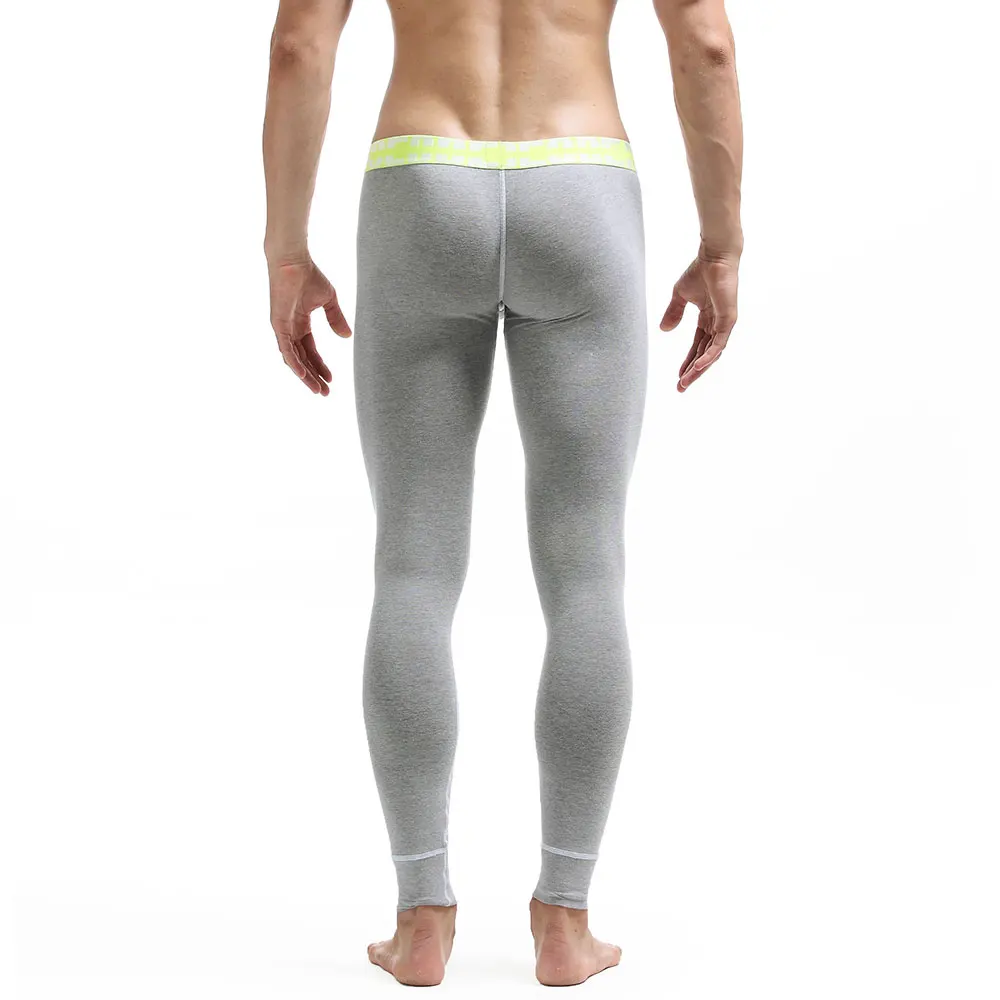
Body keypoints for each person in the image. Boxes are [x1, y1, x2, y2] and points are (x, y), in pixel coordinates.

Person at [262, 0, 742, 987]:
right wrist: (723, 243)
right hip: (581, 182)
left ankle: (420, 915)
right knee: (586, 571)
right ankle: (564, 918)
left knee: (413, 565)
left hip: (420, 178)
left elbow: (299, 46)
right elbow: (704, 42)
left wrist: (285, 249)